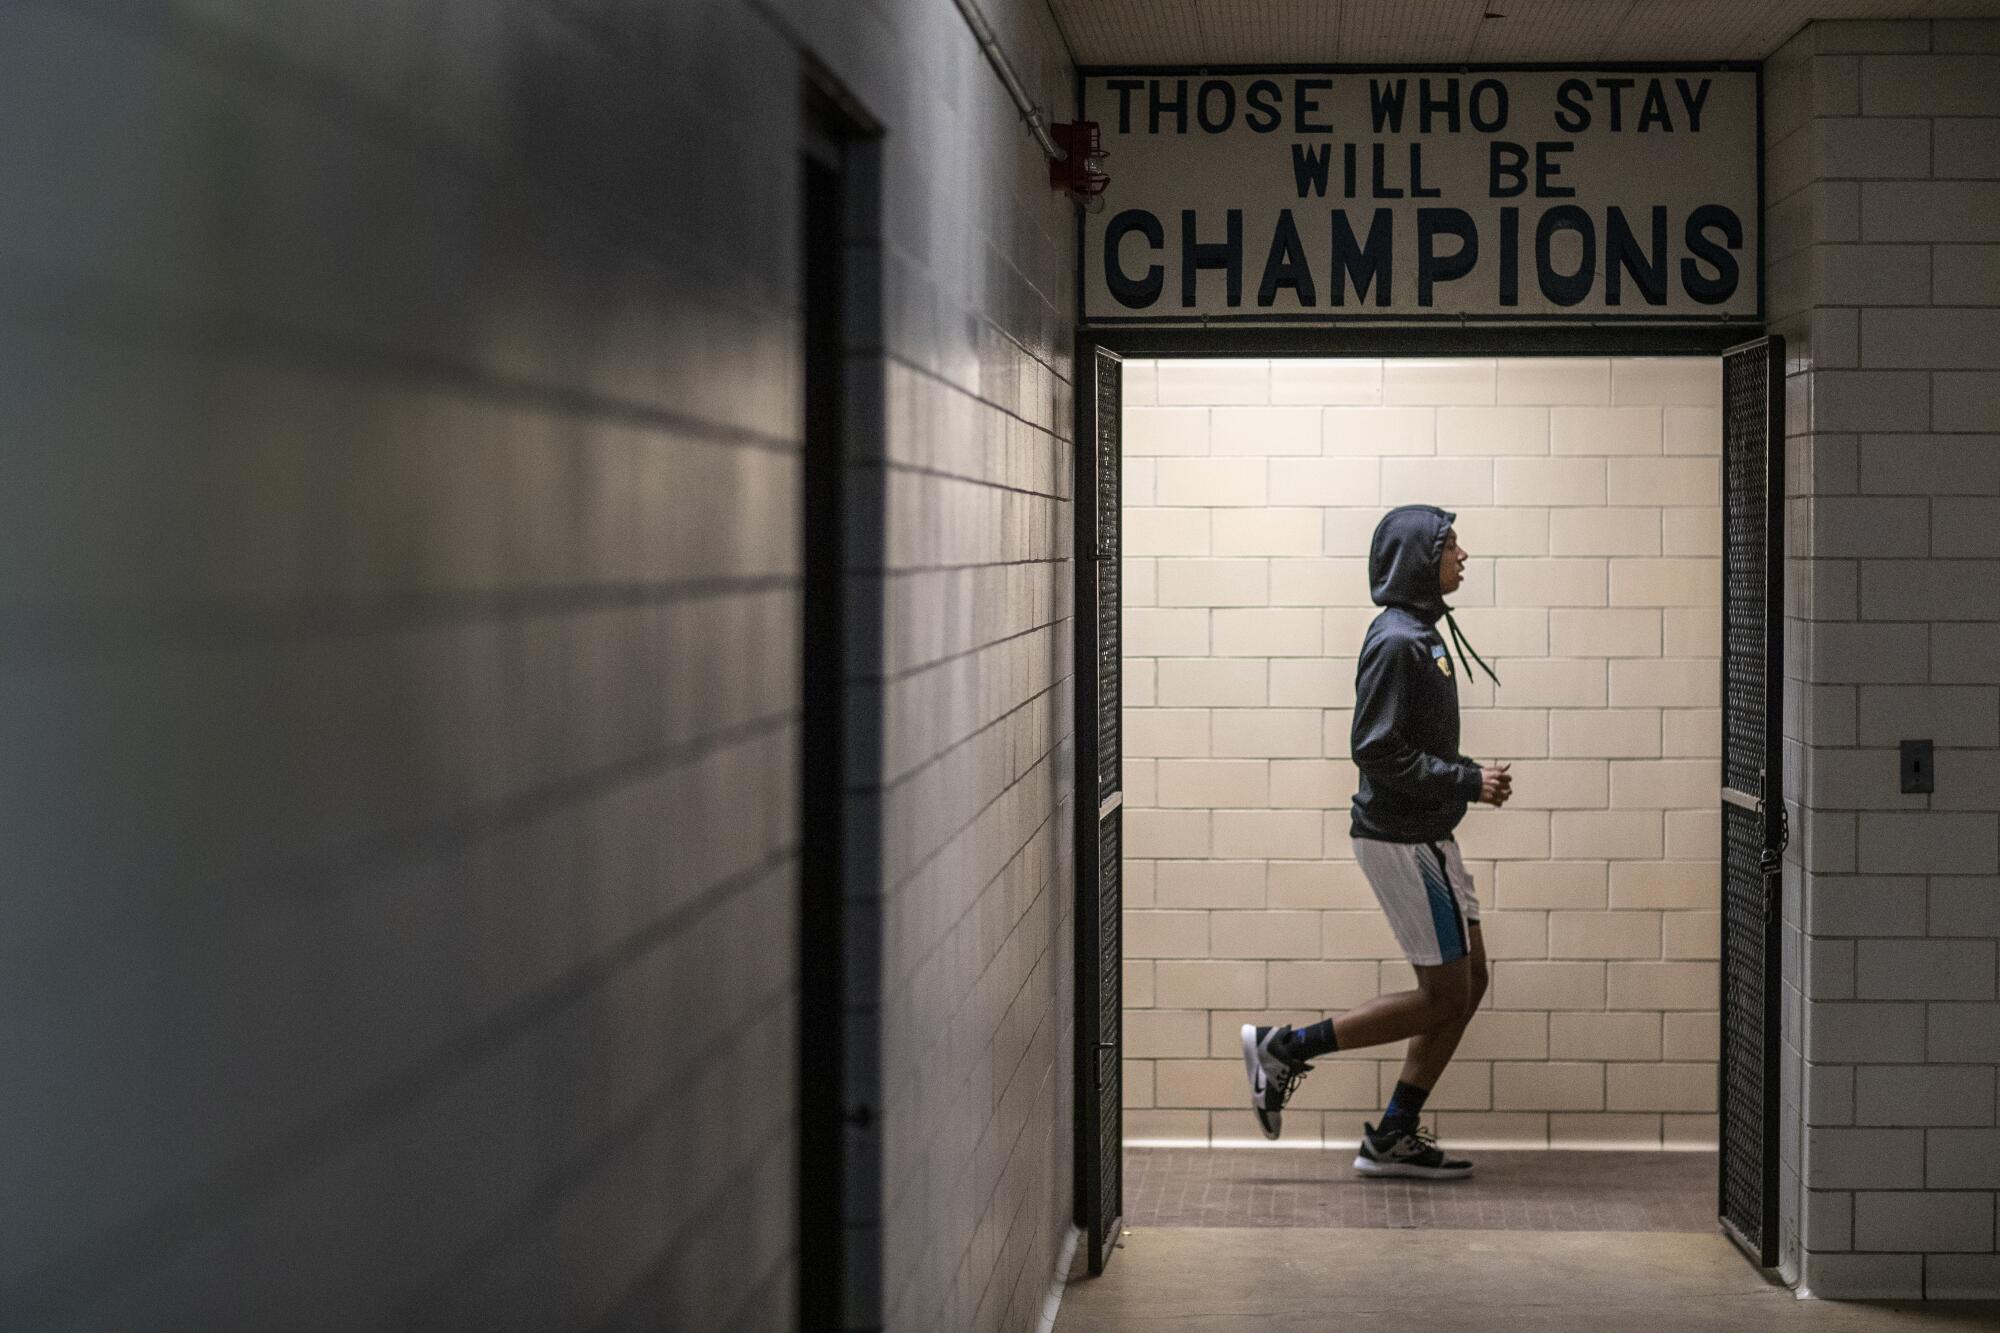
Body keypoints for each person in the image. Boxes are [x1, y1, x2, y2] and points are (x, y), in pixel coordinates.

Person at [1239, 504, 1510, 1180]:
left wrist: (1463, 780)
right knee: (1446, 993)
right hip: (1401, 840)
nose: (1464, 555)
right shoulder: (1397, 640)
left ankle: (1394, 1133)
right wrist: (1468, 779)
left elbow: (1408, 744)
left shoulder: (1421, 631)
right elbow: (1376, 750)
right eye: (1452, 544)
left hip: (1428, 834)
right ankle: (1285, 1046)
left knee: (1470, 981)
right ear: (1423, 556)